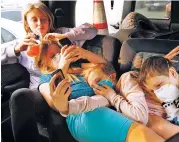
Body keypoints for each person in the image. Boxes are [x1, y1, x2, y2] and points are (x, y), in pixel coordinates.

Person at [4, 2, 98, 142]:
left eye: (44, 19)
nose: (40, 24)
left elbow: (91, 30)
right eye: (34, 20)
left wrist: (65, 36)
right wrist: (16, 49)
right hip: (41, 90)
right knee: (19, 96)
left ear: (50, 20)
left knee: (58, 110)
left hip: (68, 82)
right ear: (27, 22)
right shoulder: (24, 43)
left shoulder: (60, 34)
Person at [36, 40, 165, 142]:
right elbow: (55, 103)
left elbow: (106, 67)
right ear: (43, 63)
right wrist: (62, 67)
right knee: (141, 134)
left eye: (59, 53)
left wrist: (83, 53)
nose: (58, 57)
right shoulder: (47, 77)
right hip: (83, 112)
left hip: (111, 102)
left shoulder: (79, 67)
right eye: (52, 56)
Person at [138, 56, 179, 127]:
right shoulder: (177, 96)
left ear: (172, 73)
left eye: (159, 85)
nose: (158, 94)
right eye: (153, 91)